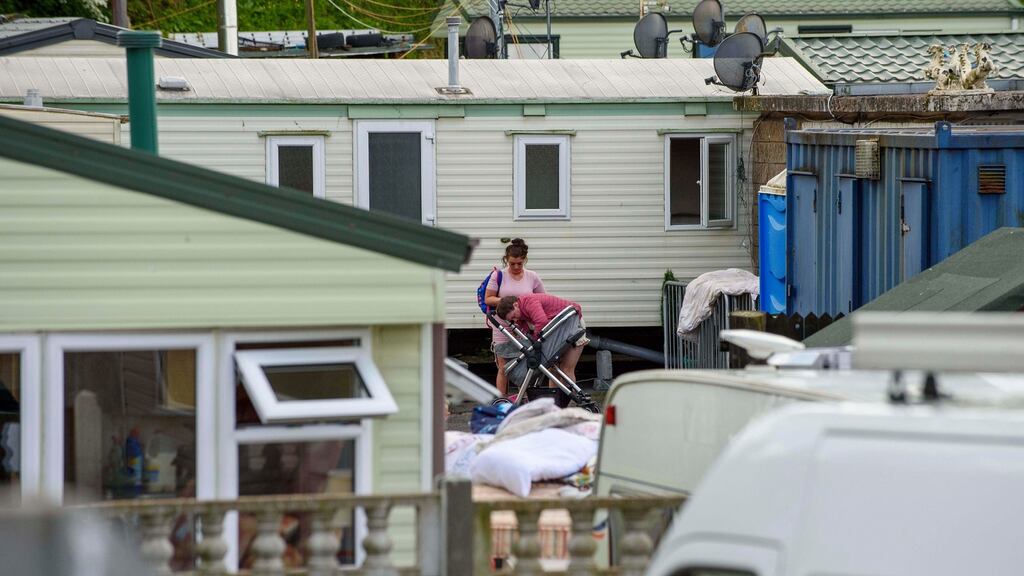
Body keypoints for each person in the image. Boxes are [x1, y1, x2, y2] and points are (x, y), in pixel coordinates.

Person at [485, 238, 545, 396]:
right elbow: (488, 298)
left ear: (525, 260)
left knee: (525, 362)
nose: (516, 267)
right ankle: (501, 400)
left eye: (520, 263)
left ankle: (522, 398)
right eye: (512, 264)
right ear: (506, 260)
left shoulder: (532, 276)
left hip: (523, 326)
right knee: (503, 366)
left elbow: (541, 299)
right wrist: (508, 302)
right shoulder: (498, 276)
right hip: (502, 326)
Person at [495, 293, 586, 388]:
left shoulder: (529, 302)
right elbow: (527, 334)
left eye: (514, 316)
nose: (515, 319)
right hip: (558, 330)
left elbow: (541, 321)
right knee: (553, 370)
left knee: (566, 369)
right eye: (512, 320)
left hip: (573, 325)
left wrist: (535, 341)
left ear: (515, 305)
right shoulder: (521, 316)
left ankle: (567, 399)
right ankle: (554, 400)